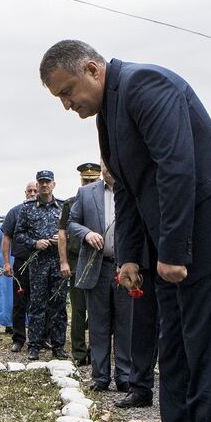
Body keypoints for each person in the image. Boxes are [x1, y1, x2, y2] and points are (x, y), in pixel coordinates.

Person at [40, 40, 211, 422]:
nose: (67, 105)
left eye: (68, 91)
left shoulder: (146, 84)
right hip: (169, 245)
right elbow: (127, 186)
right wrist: (130, 257)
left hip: (207, 239)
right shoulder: (108, 112)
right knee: (175, 353)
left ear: (92, 69)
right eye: (60, 99)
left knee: (206, 358)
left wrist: (174, 251)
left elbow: (177, 167)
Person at [68, 164, 133, 392]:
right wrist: (86, 234)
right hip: (97, 266)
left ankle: (124, 375)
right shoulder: (86, 193)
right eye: (105, 163)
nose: (109, 168)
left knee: (125, 324)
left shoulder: (131, 189)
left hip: (125, 267)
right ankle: (100, 376)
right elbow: (71, 223)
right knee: (98, 324)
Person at [12, 170, 70, 360]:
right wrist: (35, 243)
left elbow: (71, 230)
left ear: (53, 184)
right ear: (37, 186)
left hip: (58, 261)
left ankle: (58, 346)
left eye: (48, 182)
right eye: (41, 182)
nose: (44, 185)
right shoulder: (27, 208)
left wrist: (62, 238)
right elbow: (18, 234)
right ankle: (34, 346)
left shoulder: (63, 207)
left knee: (59, 305)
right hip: (37, 263)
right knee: (37, 305)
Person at [57, 162, 102, 365]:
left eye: (93, 180)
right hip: (77, 260)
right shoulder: (70, 203)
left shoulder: (107, 201)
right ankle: (79, 353)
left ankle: (96, 350)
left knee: (99, 309)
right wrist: (64, 262)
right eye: (86, 180)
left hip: (100, 259)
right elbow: (62, 235)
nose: (89, 183)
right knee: (78, 309)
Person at [0, 181, 38, 353]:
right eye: (30, 190)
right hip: (21, 263)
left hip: (42, 263)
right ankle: (19, 339)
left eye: (35, 190)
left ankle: (41, 338)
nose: (32, 193)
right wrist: (7, 263)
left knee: (41, 303)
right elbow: (6, 238)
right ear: (25, 193)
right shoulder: (15, 212)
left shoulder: (48, 211)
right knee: (20, 303)